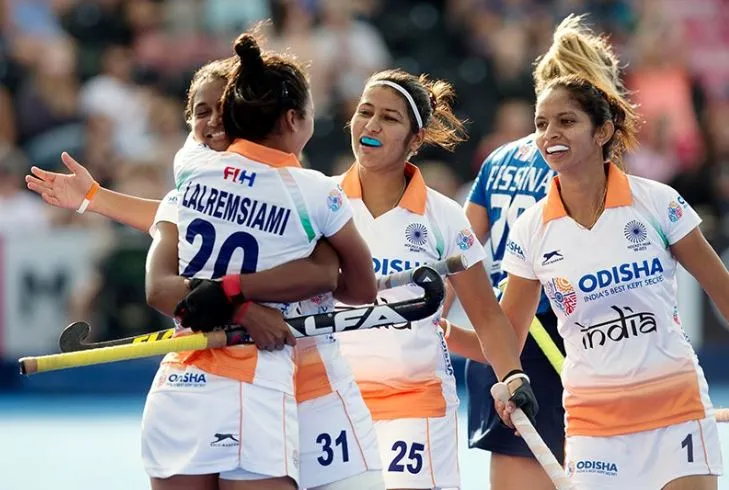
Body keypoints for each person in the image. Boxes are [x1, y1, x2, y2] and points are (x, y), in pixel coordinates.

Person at [31, 35, 383, 490]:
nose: (213, 123)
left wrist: (97, 199)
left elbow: (174, 226)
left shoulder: (197, 171)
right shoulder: (291, 186)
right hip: (256, 373)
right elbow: (331, 276)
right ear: (293, 118)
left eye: (222, 110)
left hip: (278, 374)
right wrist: (243, 305)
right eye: (202, 112)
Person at [496, 72, 725, 489]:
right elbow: (503, 334)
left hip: (677, 408)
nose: (550, 134)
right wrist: (503, 373)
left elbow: (722, 290)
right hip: (594, 424)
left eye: (566, 121)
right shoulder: (531, 229)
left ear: (602, 132)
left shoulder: (657, 202)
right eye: (541, 124)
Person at [327, 67, 537, 490]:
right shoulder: (320, 200)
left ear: (416, 139)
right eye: (365, 112)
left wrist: (513, 376)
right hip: (331, 401)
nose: (371, 124)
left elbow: (488, 317)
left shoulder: (444, 216)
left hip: (416, 400)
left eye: (389, 117)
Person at [441, 15, 624, 489]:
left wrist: (432, 320)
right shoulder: (580, 162)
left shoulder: (499, 158)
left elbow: (458, 252)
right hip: (561, 339)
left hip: (503, 343)